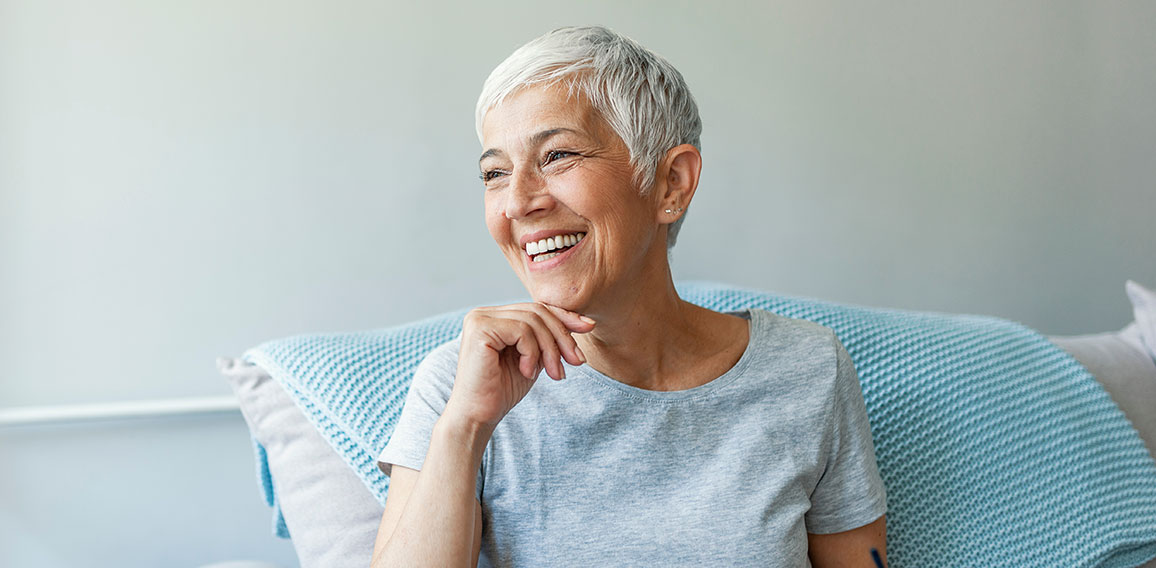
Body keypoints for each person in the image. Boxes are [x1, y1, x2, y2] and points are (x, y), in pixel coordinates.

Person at [371, 26, 887, 567]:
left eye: (557, 156)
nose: (517, 202)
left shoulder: (809, 370)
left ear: (672, 185)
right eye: (495, 173)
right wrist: (465, 428)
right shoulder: (457, 387)